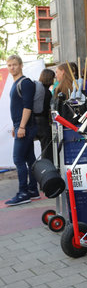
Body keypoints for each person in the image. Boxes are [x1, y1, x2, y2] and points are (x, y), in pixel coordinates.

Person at [5, 55, 39, 206]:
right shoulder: (16, 83)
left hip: (26, 126)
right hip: (21, 124)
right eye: (9, 65)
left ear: (20, 65)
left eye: (14, 65)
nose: (12, 67)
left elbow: (27, 107)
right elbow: (17, 108)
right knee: (29, 159)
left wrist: (22, 126)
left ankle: (23, 193)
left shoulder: (25, 83)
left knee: (18, 159)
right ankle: (33, 190)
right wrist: (15, 125)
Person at [35, 68, 55, 163]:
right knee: (46, 148)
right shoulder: (47, 92)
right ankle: (47, 166)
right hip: (42, 122)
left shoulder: (36, 89)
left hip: (33, 120)